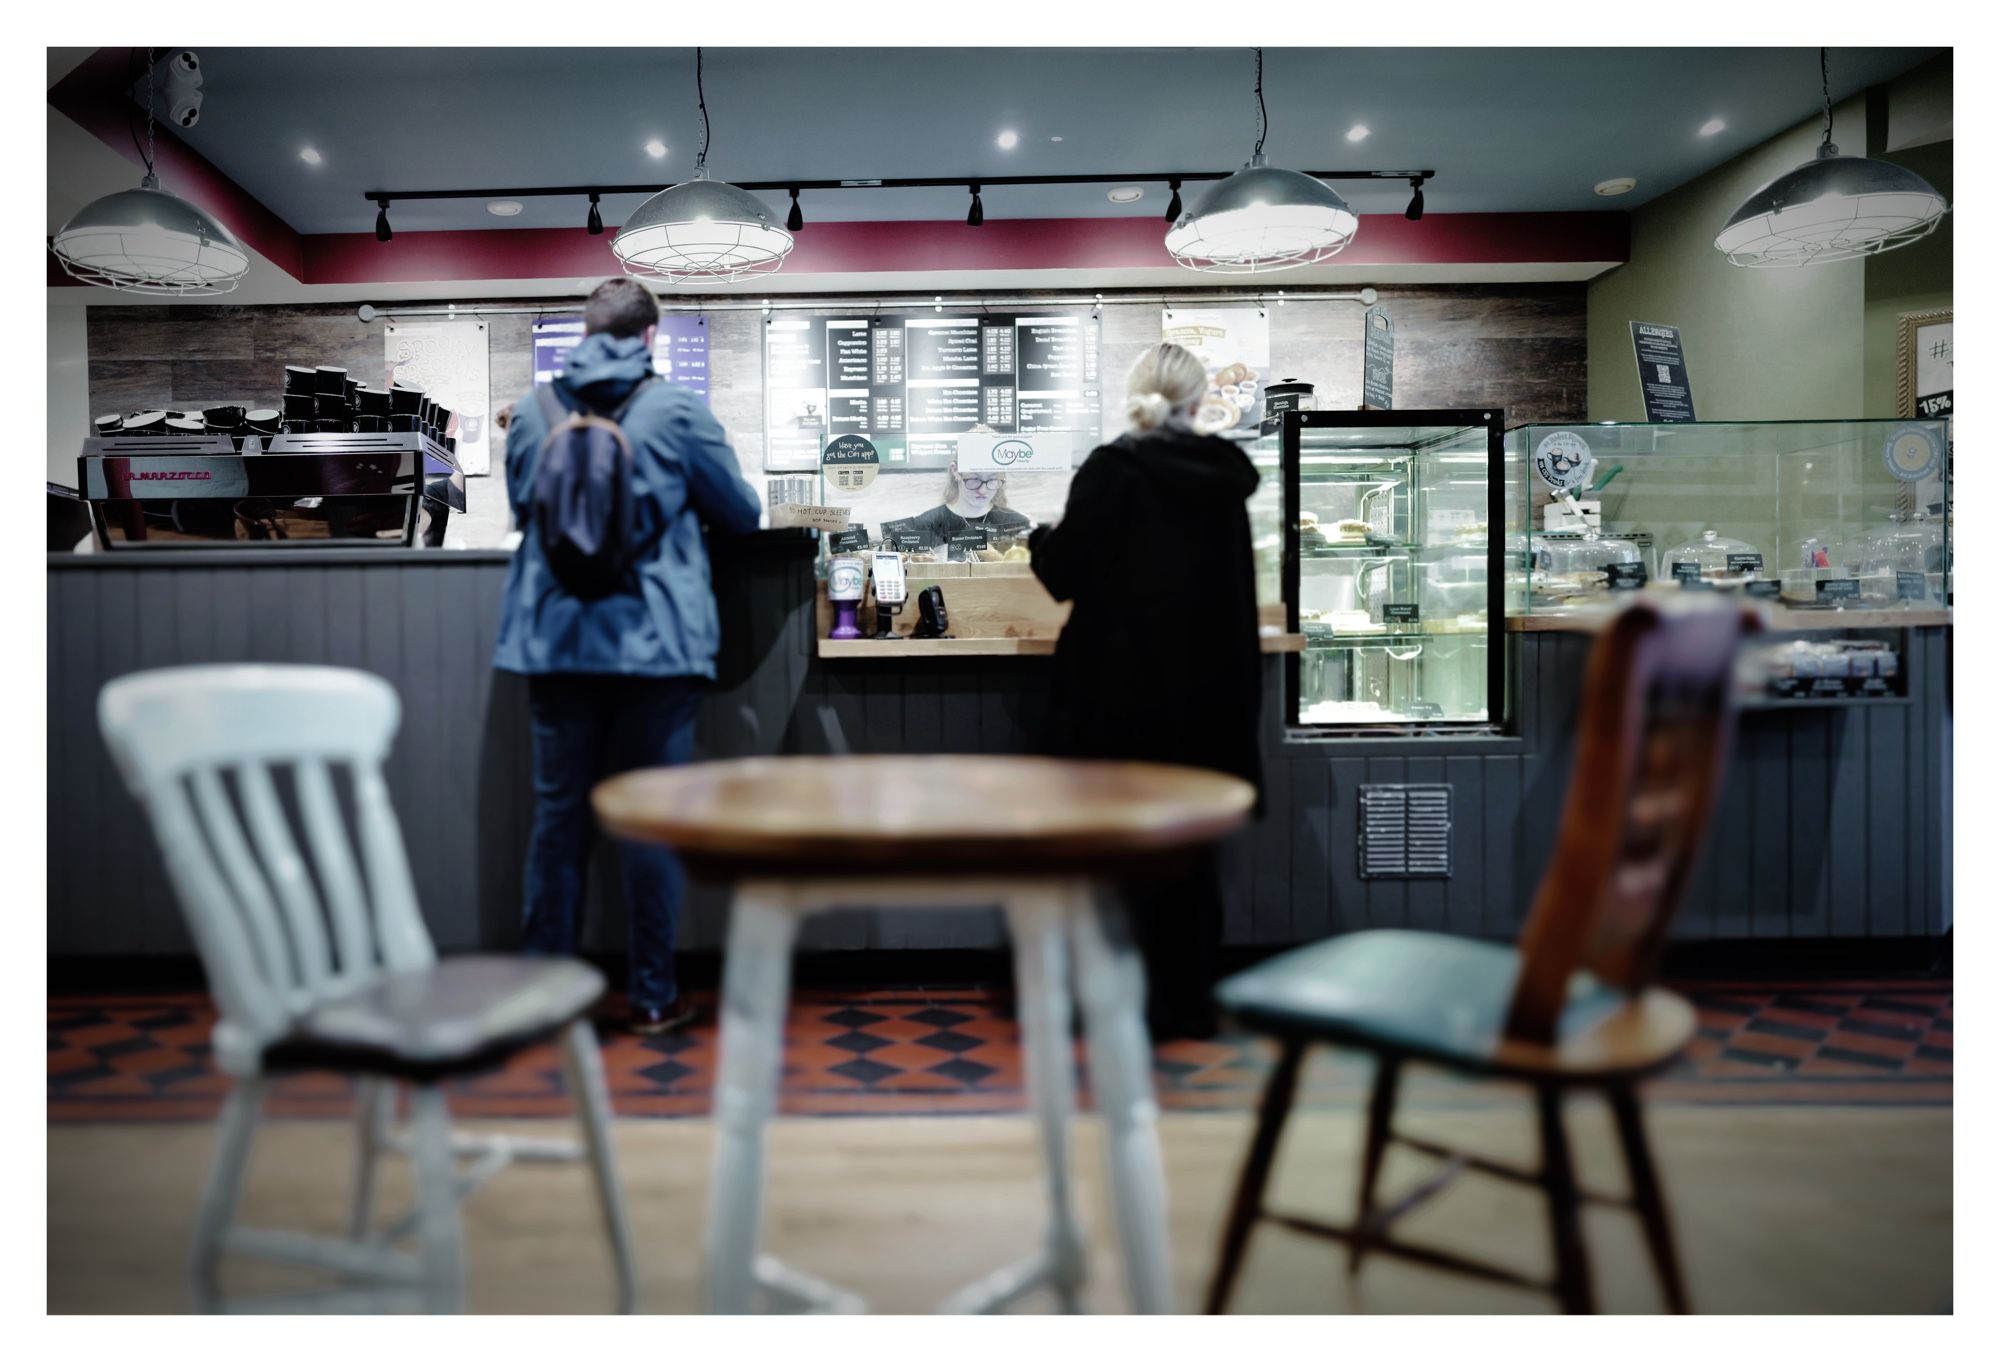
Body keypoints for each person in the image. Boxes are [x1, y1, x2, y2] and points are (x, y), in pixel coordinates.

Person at [493, 278, 761, 1035]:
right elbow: (741, 515)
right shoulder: (677, 410)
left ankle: (544, 998)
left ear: (584, 332)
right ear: (650, 337)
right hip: (656, 645)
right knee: (650, 820)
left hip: (554, 642)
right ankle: (651, 994)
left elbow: (524, 511)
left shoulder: (533, 412)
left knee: (558, 823)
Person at [1029, 341, 1264, 1038]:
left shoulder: (1112, 470)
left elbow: (1064, 575)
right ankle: (1188, 1004)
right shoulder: (1225, 479)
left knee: (1113, 855)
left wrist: (1044, 538)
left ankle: (1115, 1005)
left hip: (1120, 696)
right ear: (1198, 401)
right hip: (1210, 700)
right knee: (1190, 857)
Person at [908, 461, 1033, 555]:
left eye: (992, 479)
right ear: (955, 470)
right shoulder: (925, 524)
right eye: (974, 479)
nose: (983, 491)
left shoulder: (1019, 525)